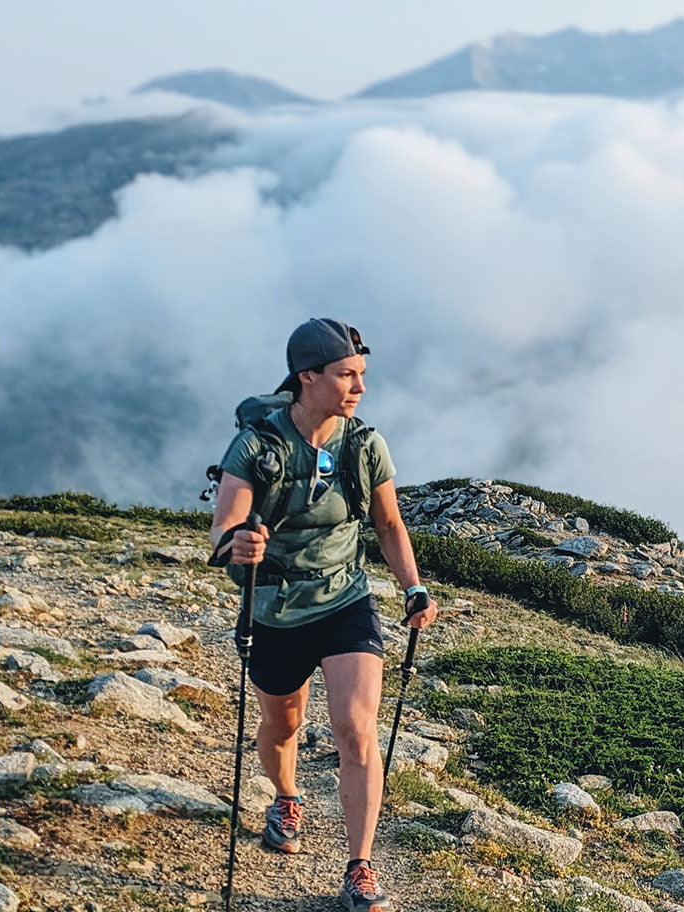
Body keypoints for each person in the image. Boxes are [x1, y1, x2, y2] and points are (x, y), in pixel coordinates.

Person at [209, 318, 436, 912]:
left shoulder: (365, 446)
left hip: (345, 599)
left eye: (361, 374)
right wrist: (239, 543)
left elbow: (388, 524)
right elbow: (224, 527)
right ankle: (286, 795)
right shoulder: (257, 446)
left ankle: (360, 866)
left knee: (357, 730)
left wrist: (412, 587)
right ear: (307, 377)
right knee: (282, 727)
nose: (359, 387)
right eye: (346, 375)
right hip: (275, 607)